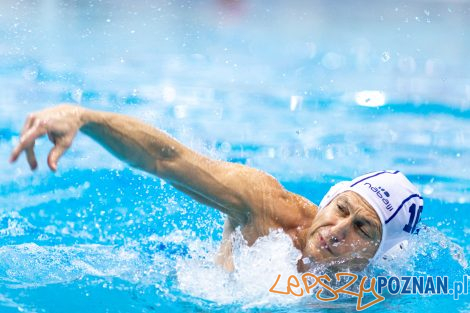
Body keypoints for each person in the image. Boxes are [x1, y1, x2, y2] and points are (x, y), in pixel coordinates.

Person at [9, 104, 424, 272]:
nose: (336, 229)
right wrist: (85, 118)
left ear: (378, 252)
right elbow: (166, 160)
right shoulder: (268, 207)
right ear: (331, 197)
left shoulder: (374, 294)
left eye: (363, 229)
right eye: (341, 209)